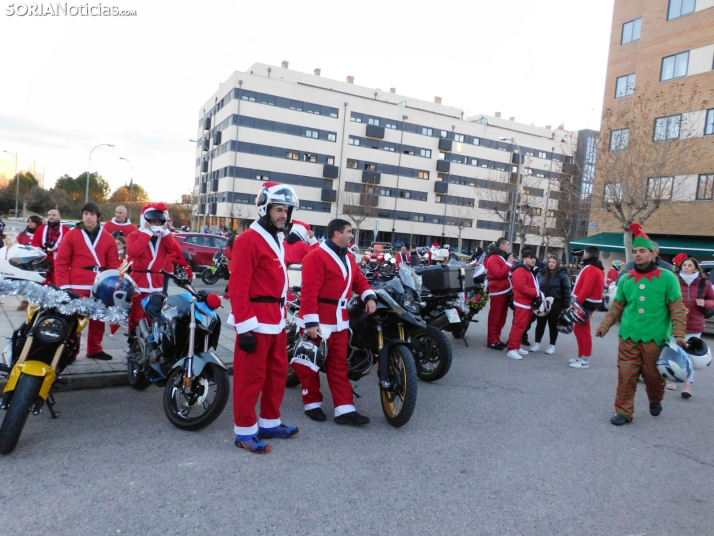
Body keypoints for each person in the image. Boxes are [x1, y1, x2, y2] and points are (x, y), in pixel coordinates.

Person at [227, 182, 300, 454]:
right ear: (264, 209)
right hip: (255, 322)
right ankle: (245, 432)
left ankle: (270, 422)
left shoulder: (276, 238)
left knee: (277, 374)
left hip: (276, 321)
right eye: (278, 209)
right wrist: (244, 328)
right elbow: (238, 286)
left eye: (286, 210)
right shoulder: (248, 239)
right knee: (250, 378)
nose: (283, 215)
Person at [596, 223, 688, 425]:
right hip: (628, 336)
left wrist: (680, 334)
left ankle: (655, 400)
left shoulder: (668, 278)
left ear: (653, 254)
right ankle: (624, 412)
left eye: (642, 251)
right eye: (635, 251)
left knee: (653, 378)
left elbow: (677, 308)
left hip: (656, 339)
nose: (637, 254)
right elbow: (618, 306)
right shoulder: (626, 278)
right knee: (626, 376)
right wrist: (605, 326)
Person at [295, 219, 377, 424]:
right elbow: (309, 291)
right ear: (336, 234)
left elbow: (359, 280)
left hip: (340, 320)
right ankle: (312, 403)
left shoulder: (348, 258)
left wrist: (369, 296)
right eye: (349, 232)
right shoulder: (316, 256)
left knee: (339, 365)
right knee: (310, 363)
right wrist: (311, 322)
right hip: (319, 319)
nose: (352, 235)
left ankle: (344, 409)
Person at [54, 203, 120, 360]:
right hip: (77, 283)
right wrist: (64, 286)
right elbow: (61, 262)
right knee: (73, 320)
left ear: (98, 216)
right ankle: (69, 351)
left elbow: (113, 266)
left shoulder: (108, 238)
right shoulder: (71, 235)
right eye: (85, 214)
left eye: (91, 214)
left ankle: (94, 349)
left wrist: (112, 286)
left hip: (100, 284)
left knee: (98, 318)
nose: (88, 217)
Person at [125, 203, 191, 333]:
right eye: (153, 222)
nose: (156, 224)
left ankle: (152, 343)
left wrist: (166, 232)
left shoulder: (163, 237)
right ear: (146, 221)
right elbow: (133, 252)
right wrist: (147, 233)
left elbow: (173, 249)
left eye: (158, 222)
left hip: (157, 282)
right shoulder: (134, 235)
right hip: (139, 280)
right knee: (136, 314)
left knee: (154, 315)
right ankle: (133, 344)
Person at [666, 253, 714, 397]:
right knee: (675, 352)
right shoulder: (673, 280)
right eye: (684, 265)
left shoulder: (704, 283)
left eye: (689, 266)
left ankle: (688, 384)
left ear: (695, 269)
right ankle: (674, 379)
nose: (686, 268)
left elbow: (712, 299)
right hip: (675, 322)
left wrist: (705, 303)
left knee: (690, 355)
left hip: (695, 323)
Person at [569, 246, 605, 369]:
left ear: (587, 255)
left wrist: (576, 303)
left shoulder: (591, 268)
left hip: (586, 303)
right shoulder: (596, 267)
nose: (583, 255)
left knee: (583, 330)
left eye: (584, 253)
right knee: (579, 329)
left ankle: (585, 359)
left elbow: (586, 289)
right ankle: (581, 356)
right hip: (588, 302)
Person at [532, 255, 571, 355]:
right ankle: (537, 343)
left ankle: (552, 345)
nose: (551, 264)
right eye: (549, 262)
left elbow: (567, 290)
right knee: (540, 323)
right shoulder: (542, 273)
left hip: (556, 303)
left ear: (557, 263)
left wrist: (566, 306)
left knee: (553, 325)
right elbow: (537, 286)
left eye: (554, 262)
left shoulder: (563, 275)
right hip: (543, 302)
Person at [506, 250, 539, 360]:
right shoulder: (520, 270)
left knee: (522, 327)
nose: (534, 260)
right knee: (519, 326)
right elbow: (522, 287)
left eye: (534, 258)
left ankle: (516, 346)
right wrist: (537, 293)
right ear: (525, 258)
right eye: (531, 257)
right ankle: (512, 349)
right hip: (522, 303)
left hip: (526, 303)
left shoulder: (526, 270)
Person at [484, 238, 515, 351]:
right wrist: (508, 264)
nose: (509, 247)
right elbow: (498, 274)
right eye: (508, 244)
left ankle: (496, 338)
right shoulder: (493, 258)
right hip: (497, 291)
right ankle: (492, 340)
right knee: (495, 316)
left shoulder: (500, 257)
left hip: (504, 290)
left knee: (502, 317)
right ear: (501, 245)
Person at [31, 209, 71, 287]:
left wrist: (56, 247)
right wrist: (41, 254)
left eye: (53, 215)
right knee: (43, 282)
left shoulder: (66, 230)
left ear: (59, 217)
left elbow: (69, 246)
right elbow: (35, 243)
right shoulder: (41, 229)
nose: (51, 217)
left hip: (59, 260)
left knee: (58, 282)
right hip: (44, 260)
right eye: (49, 215)